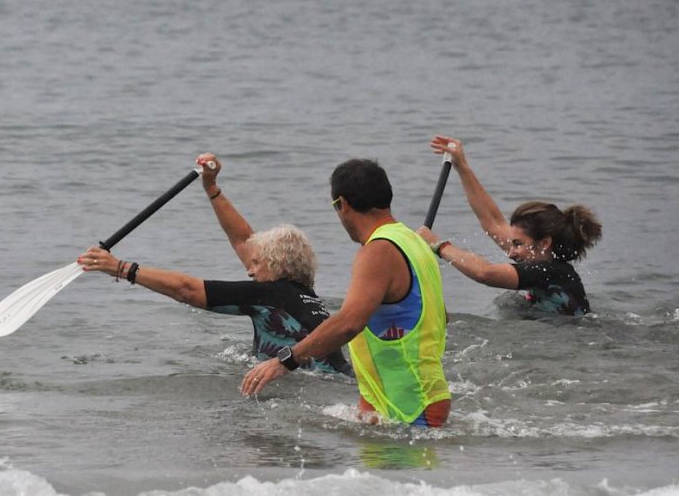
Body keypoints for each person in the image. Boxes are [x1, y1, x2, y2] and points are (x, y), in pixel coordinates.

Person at [78, 154, 352, 375]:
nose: (249, 269)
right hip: (340, 380)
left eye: (256, 263)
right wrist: (211, 187)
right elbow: (244, 239)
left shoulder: (271, 294)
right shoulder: (298, 295)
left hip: (319, 384)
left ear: (278, 267)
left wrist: (121, 268)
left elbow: (187, 290)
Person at [241, 159, 451, 428]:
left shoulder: (378, 250)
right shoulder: (415, 242)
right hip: (413, 395)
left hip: (409, 404)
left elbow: (349, 322)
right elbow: (440, 316)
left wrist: (286, 359)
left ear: (343, 204)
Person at [417, 136, 603, 316]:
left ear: (545, 243)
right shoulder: (538, 256)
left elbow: (485, 273)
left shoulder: (552, 271)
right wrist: (462, 166)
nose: (511, 252)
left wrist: (439, 245)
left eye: (518, 244)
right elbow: (493, 222)